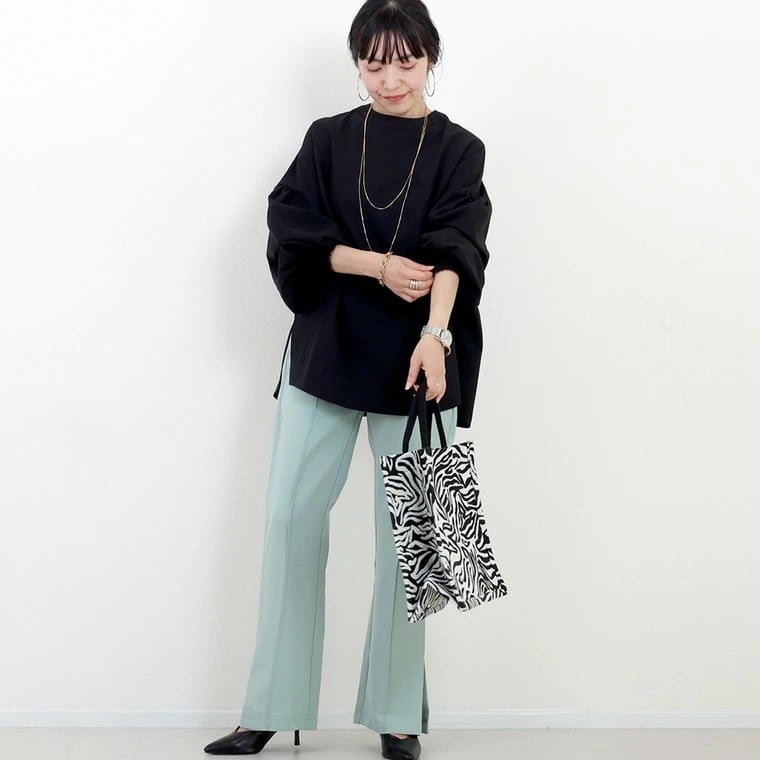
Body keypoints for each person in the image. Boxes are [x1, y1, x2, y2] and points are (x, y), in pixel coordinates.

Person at [203, 1, 491, 758]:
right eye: (373, 63)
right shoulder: (329, 138)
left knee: (414, 539)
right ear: (357, 62)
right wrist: (378, 266)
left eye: (406, 62)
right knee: (289, 522)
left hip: (420, 362)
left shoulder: (459, 148)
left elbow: (460, 248)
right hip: (326, 351)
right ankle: (271, 705)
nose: (390, 80)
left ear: (431, 58)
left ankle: (397, 715)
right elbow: (292, 231)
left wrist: (436, 336)